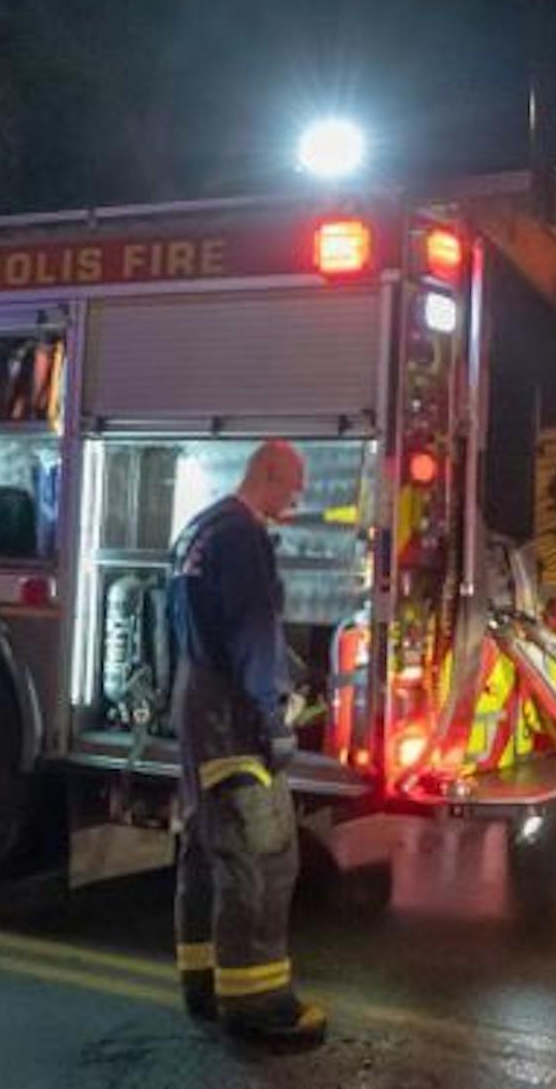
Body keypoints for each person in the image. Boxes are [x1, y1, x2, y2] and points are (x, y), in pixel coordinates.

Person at [169, 439, 327, 1044]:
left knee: (206, 850)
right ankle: (258, 1006)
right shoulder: (245, 538)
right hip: (235, 717)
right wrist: (274, 718)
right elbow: (255, 630)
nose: (298, 496)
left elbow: (201, 625)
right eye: (292, 483)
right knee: (261, 857)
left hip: (196, 705)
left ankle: (203, 983)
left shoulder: (199, 532)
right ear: (266, 472)